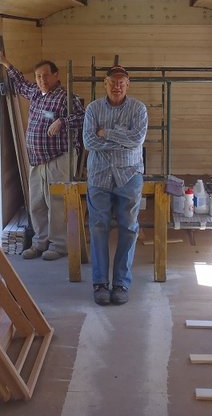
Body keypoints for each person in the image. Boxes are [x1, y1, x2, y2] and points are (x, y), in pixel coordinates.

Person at [0, 50, 85, 260]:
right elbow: (20, 83)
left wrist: (62, 121)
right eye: (38, 76)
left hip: (59, 159)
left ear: (56, 75)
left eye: (45, 75)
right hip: (36, 160)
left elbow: (84, 118)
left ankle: (59, 246)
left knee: (57, 203)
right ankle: (40, 243)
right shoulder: (35, 93)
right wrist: (6, 63)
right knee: (37, 204)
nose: (41, 80)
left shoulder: (66, 97)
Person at [82, 65, 148, 305]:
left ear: (128, 85)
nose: (117, 86)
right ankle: (100, 283)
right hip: (99, 177)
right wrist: (122, 139)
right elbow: (89, 141)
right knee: (98, 228)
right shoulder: (93, 109)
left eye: (122, 82)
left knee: (129, 228)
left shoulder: (138, 109)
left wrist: (106, 132)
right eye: (113, 82)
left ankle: (121, 283)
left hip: (129, 177)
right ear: (105, 84)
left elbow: (137, 139)